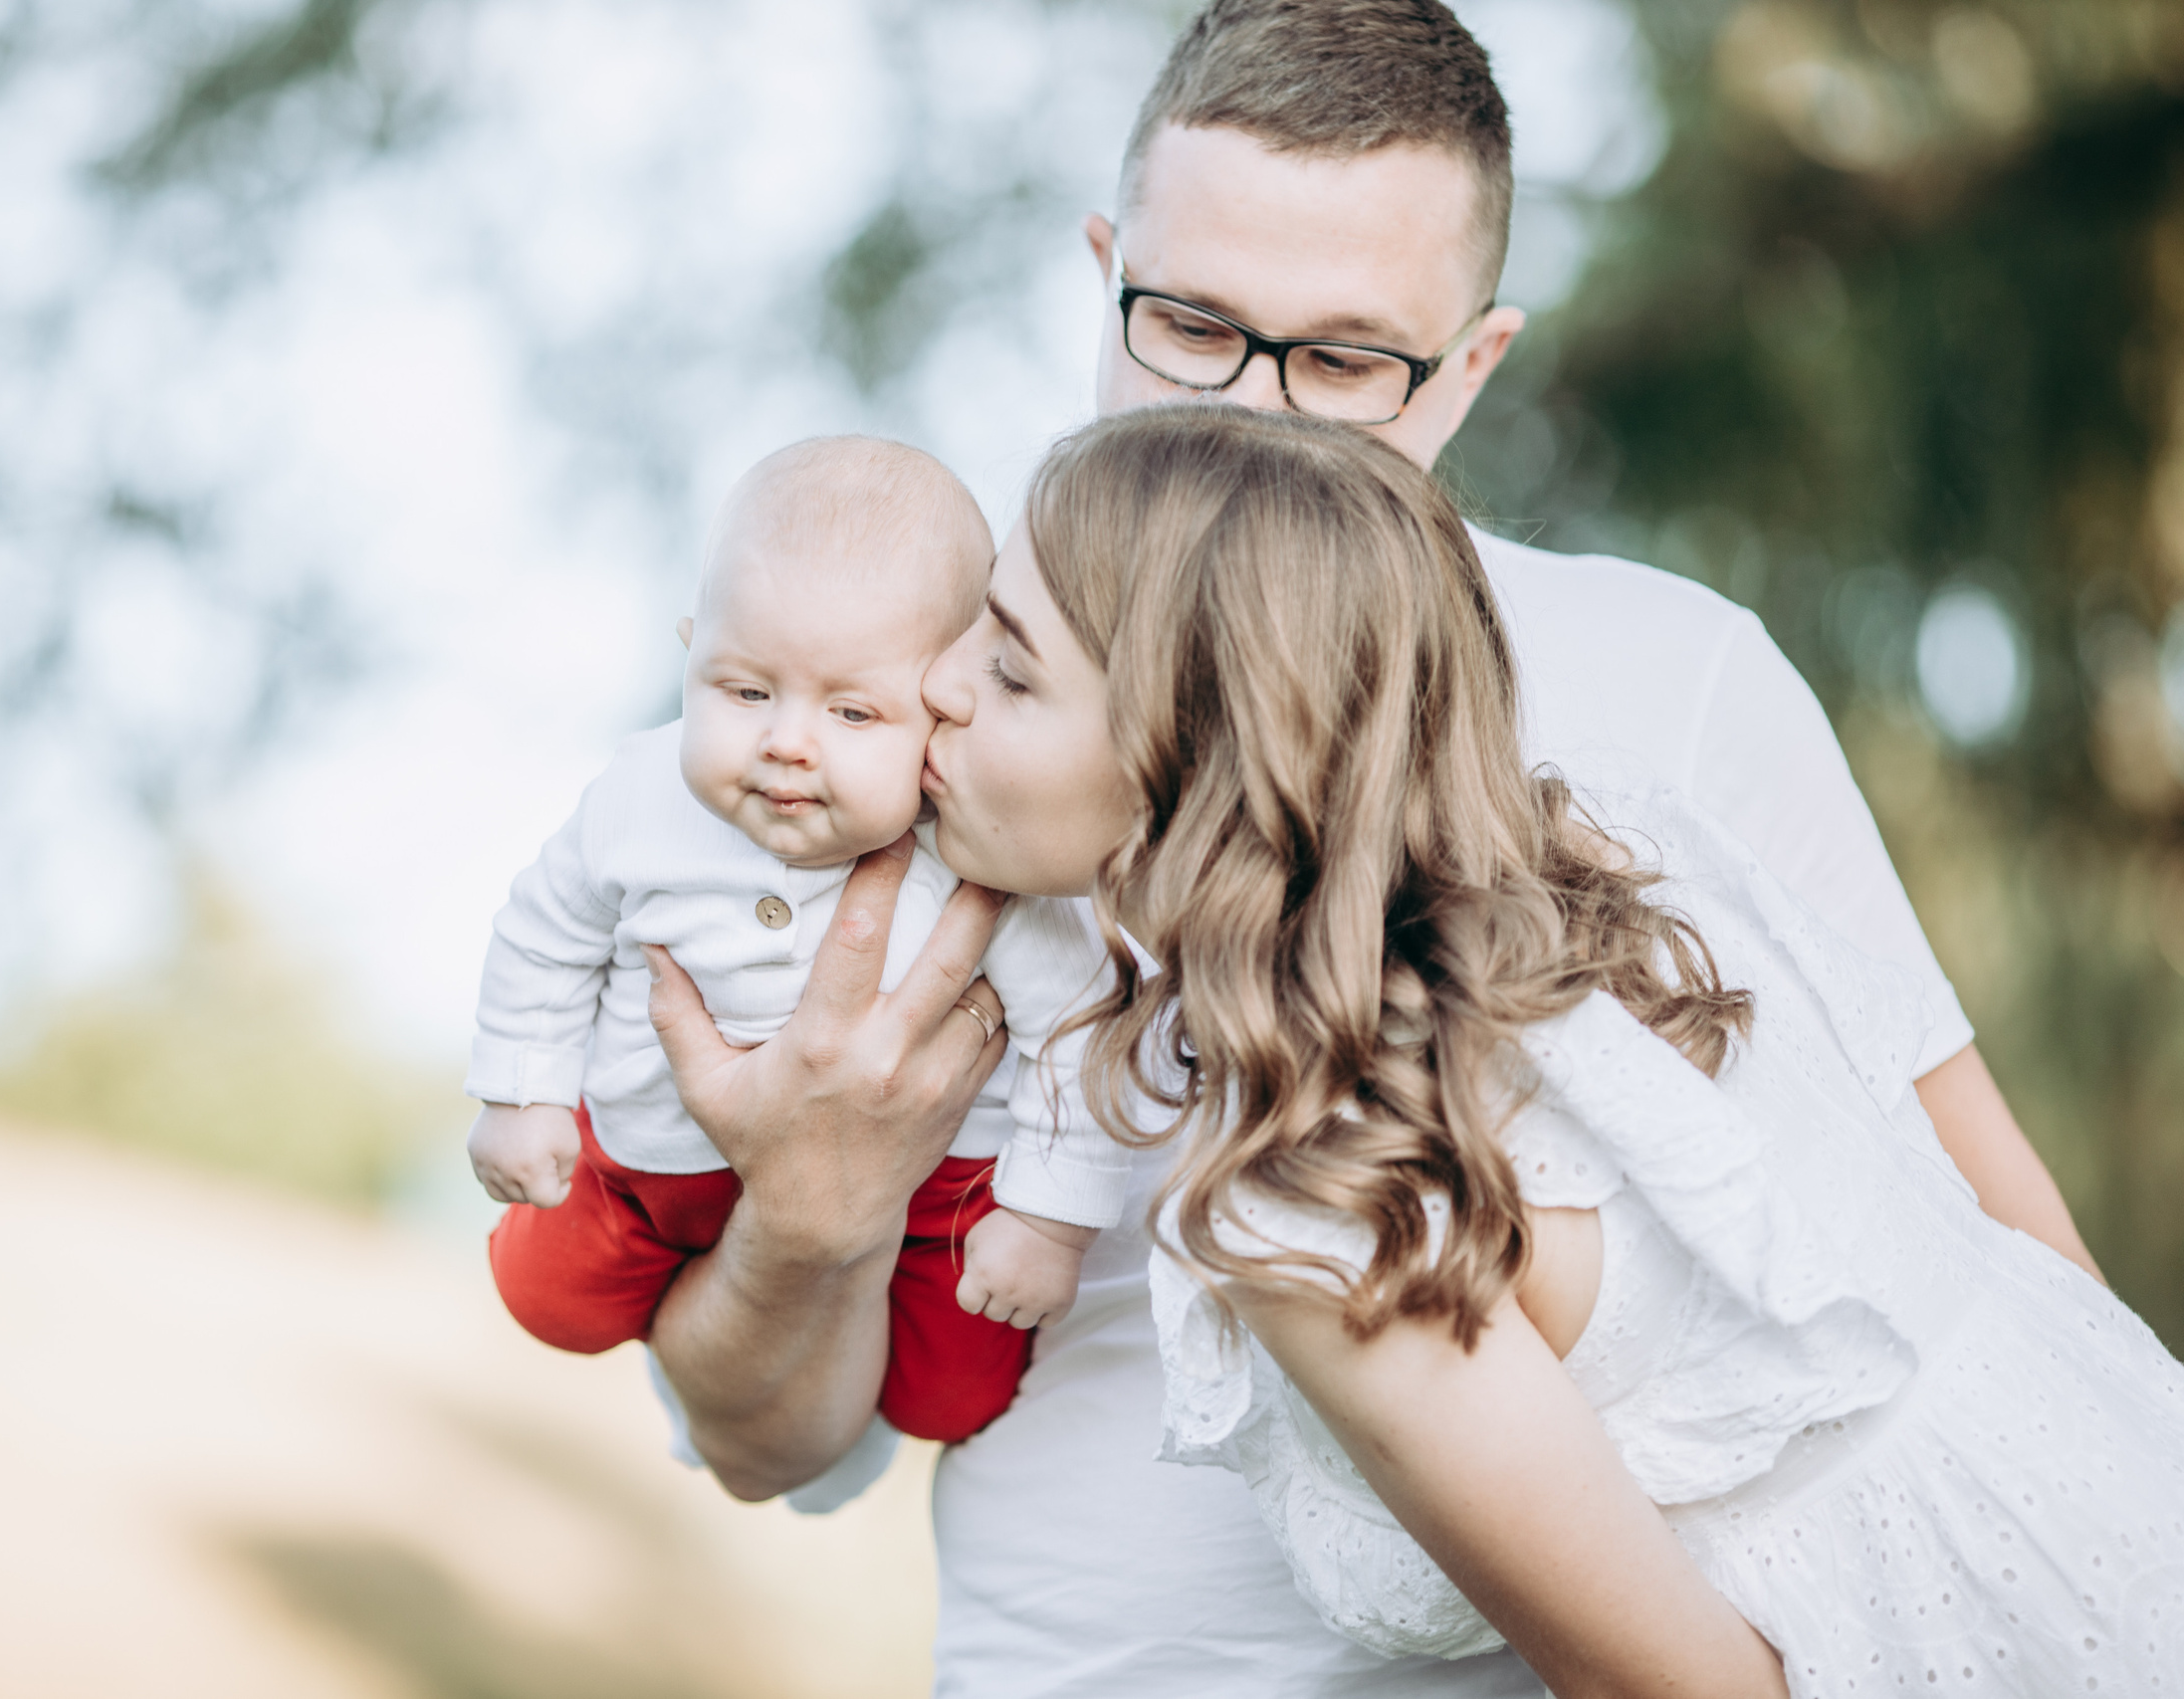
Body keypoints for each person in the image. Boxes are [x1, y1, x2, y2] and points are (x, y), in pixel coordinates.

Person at [634, 4, 2101, 1691]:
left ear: (1473, 363)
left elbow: (2014, 1290)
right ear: (1106, 271)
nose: (1260, 412)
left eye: (1344, 360)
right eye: (1191, 328)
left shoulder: (1677, 692)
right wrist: (812, 1218)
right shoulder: (876, 718)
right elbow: (767, 1447)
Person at [960, 400, 2184, 1695]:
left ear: (1196, 755)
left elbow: (1678, 1686)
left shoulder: (1315, 1195)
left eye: (1010, 667)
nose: (937, 683)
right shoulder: (1617, 853)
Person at [466, 436, 1121, 1448]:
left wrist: (1045, 1218)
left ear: (939, 712)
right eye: (744, 690)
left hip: (934, 1189)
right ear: (690, 651)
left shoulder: (973, 856)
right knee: (543, 1298)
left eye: (854, 710)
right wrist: (523, 1093)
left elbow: (1074, 1032)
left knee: (950, 1402)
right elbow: (543, 935)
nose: (787, 741)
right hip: (650, 1154)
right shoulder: (636, 803)